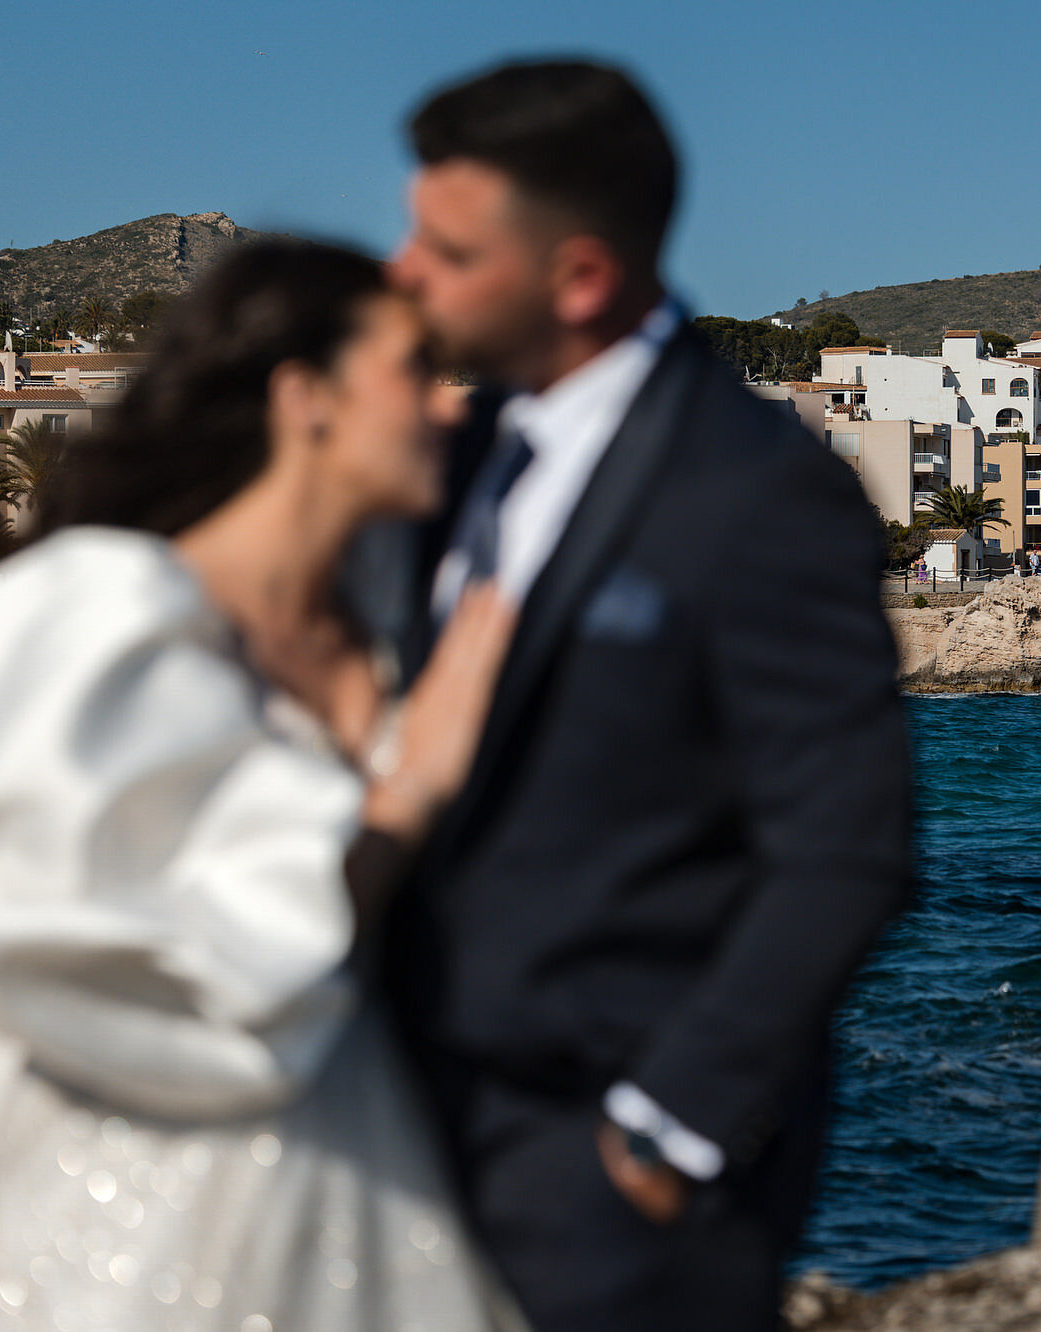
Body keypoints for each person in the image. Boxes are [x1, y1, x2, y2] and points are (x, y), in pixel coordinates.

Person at [0, 242, 524, 1331]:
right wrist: (406, 797)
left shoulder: (400, 621)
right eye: (411, 369)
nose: (449, 405)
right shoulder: (106, 614)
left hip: (371, 1183)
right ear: (307, 399)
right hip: (123, 1222)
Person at [377, 60, 910, 1331]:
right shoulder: (447, 466)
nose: (402, 271)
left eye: (445, 250)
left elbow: (845, 850)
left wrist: (665, 1133)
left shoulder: (757, 493)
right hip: (400, 1127)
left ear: (578, 277)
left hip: (606, 1168)